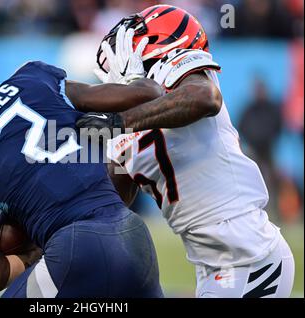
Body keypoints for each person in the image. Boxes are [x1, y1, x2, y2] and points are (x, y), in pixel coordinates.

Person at [76, 4, 295, 298]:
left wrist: (120, 122)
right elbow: (110, 204)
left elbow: (206, 98)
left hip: (249, 258)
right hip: (216, 265)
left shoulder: (187, 82)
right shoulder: (126, 120)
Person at [0, 51, 164, 297]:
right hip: (134, 236)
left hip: (74, 249)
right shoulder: (35, 80)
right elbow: (147, 94)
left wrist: (37, 251)